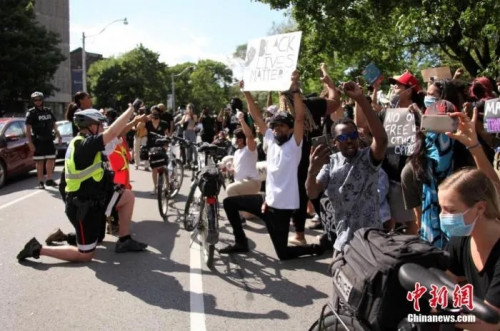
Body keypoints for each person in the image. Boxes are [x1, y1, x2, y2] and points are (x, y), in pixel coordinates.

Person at [17, 107, 148, 263]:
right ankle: (37, 248)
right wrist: (131, 109)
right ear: (91, 126)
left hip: (95, 197)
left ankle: (124, 240)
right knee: (85, 255)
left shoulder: (90, 142)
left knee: (127, 197)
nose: (102, 128)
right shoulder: (85, 146)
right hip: (82, 207)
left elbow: (117, 134)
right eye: (100, 124)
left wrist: (133, 121)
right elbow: (112, 133)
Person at [220, 72, 324, 260]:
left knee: (283, 254)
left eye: (283, 125)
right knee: (229, 203)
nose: (278, 129)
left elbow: (300, 118)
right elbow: (257, 116)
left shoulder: (294, 145)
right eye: (275, 125)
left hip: (281, 210)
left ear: (291, 129)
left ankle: (318, 247)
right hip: (265, 203)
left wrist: (295, 89)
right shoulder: (270, 140)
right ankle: (241, 242)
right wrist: (246, 93)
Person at [306, 82, 388, 253]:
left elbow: (381, 139)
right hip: (343, 239)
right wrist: (311, 171)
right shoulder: (330, 162)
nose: (349, 140)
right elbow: (312, 192)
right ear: (334, 143)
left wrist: (360, 99)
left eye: (352, 136)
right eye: (343, 138)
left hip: (370, 239)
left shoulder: (368, 158)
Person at [437, 109, 500, 330]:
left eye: (450, 210)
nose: (443, 217)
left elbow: (491, 324)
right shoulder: (462, 239)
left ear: (480, 209)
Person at [25, 91, 62, 189]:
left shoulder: (48, 111)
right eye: (35, 100)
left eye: (39, 99)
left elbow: (54, 124)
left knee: (51, 159)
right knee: (40, 161)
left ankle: (49, 179)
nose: (38, 101)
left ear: (42, 100)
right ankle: (40, 182)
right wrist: (30, 143)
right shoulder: (31, 113)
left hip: (49, 139)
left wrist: (58, 135)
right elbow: (28, 129)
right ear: (33, 101)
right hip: (38, 140)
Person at [225, 113, 261, 198]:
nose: (233, 139)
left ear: (240, 140)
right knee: (244, 210)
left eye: (235, 137)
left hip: (252, 182)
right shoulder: (237, 152)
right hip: (241, 184)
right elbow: (236, 169)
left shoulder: (250, 149)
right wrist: (229, 170)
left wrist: (241, 120)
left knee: (230, 189)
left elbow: (250, 136)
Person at [145, 105, 169, 194]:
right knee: (154, 168)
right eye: (153, 114)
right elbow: (138, 128)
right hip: (151, 147)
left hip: (161, 146)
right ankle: (155, 187)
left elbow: (167, 135)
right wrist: (144, 119)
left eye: (156, 114)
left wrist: (166, 145)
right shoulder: (148, 123)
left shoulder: (164, 123)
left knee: (163, 166)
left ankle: (166, 186)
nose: (154, 116)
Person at [180, 103, 198, 168]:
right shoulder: (184, 116)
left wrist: (190, 115)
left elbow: (195, 122)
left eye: (188, 108)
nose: (187, 109)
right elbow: (181, 123)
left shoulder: (194, 116)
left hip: (192, 132)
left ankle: (195, 161)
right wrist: (184, 117)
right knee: (187, 147)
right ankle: (188, 161)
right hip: (186, 132)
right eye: (187, 108)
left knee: (193, 147)